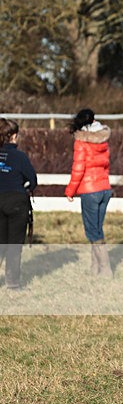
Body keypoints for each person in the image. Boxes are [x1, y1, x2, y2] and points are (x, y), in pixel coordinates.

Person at [65, 108, 113, 276]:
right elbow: (105, 166)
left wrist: (70, 191)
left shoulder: (81, 141)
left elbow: (78, 169)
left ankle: (106, 269)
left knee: (92, 231)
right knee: (97, 229)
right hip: (104, 190)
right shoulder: (103, 139)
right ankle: (95, 269)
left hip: (89, 191)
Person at [0, 118, 37, 290]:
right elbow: (32, 180)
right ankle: (13, 283)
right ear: (14, 136)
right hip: (16, 202)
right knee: (14, 245)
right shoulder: (20, 157)